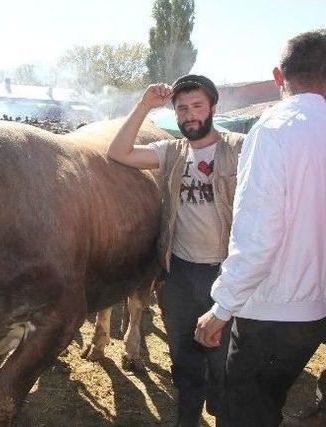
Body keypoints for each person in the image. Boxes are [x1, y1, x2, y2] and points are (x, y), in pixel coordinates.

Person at [194, 30, 326, 427]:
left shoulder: (273, 131)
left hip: (273, 313)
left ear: (277, 77)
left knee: (246, 414)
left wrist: (221, 307)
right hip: (314, 310)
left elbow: (258, 234)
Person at [107, 74, 244, 426]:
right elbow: (118, 152)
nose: (189, 115)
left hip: (225, 273)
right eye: (182, 108)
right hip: (179, 273)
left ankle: (219, 406)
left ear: (213, 107)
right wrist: (144, 105)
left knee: (222, 359)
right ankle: (188, 415)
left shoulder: (241, 148)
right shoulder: (172, 152)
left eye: (197, 106)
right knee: (182, 355)